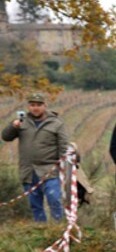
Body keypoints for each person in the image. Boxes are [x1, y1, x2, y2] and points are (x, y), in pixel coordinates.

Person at [1, 93, 69, 222]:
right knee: (35, 204)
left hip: (50, 169)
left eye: (38, 105)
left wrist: (64, 167)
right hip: (28, 170)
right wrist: (13, 126)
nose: (35, 108)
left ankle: (58, 227)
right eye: (32, 105)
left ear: (45, 106)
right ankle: (40, 228)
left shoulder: (56, 123)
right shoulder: (22, 122)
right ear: (28, 106)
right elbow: (6, 137)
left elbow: (64, 146)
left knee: (54, 199)